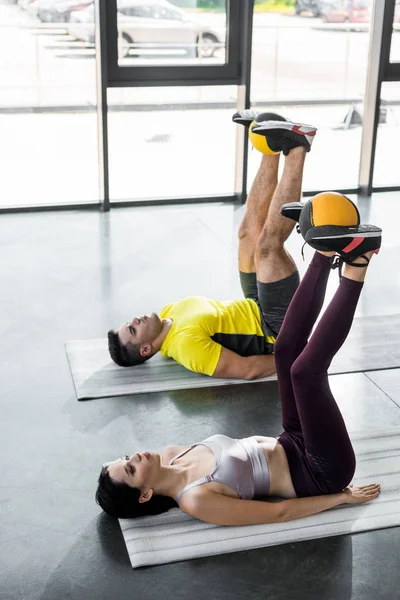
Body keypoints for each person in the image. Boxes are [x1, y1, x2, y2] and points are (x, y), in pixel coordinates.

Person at [95, 211, 382, 525]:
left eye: (126, 458)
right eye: (132, 469)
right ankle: (359, 262)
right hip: (321, 470)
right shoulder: (195, 499)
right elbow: (278, 512)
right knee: (304, 373)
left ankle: (325, 251)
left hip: (292, 437)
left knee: (286, 351)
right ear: (145, 494)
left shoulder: (172, 453)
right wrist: (340, 497)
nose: (135, 456)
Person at [107, 112, 318, 380]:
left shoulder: (169, 313)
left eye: (129, 323)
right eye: (133, 330)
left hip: (255, 304)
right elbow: (248, 370)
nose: (135, 320)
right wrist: (296, 355)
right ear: (147, 349)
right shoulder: (186, 347)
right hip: (277, 327)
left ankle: (271, 145)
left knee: (247, 235)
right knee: (267, 248)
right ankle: (299, 145)